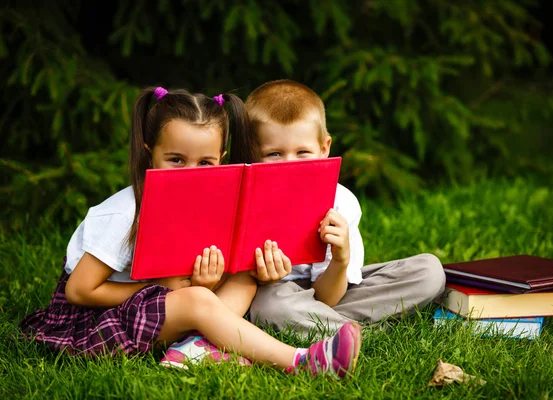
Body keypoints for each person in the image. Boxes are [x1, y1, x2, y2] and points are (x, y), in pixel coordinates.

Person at [19, 86, 362, 377]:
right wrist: (167, 291)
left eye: (205, 163)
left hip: (165, 304)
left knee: (244, 276)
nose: (190, 173)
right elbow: (80, 290)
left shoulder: (211, 203)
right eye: (176, 159)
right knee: (197, 300)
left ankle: (197, 347)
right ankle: (302, 361)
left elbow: (190, 279)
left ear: (222, 159)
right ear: (149, 152)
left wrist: (200, 284)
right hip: (96, 319)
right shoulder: (124, 212)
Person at [245, 79, 446, 335]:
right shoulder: (247, 200)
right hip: (274, 295)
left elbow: (329, 298)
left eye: (302, 152)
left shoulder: (341, 202)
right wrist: (264, 278)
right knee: (269, 307)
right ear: (252, 153)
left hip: (335, 293)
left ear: (324, 149)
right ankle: (353, 332)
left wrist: (340, 259)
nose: (290, 165)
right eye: (274, 154)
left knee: (428, 271)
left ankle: (319, 326)